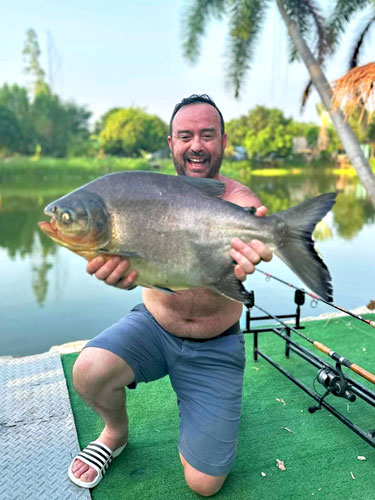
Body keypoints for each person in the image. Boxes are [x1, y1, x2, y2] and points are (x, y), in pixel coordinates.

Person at [68, 94, 272, 496]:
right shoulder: (144, 194)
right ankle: (115, 433)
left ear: (223, 142)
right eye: (186, 135)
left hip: (216, 345)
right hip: (154, 328)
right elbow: (129, 257)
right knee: (88, 371)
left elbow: (252, 227)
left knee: (204, 485)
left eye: (207, 135)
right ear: (172, 144)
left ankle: (203, 403)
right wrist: (124, 273)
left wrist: (258, 247)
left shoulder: (239, 202)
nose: (196, 145)